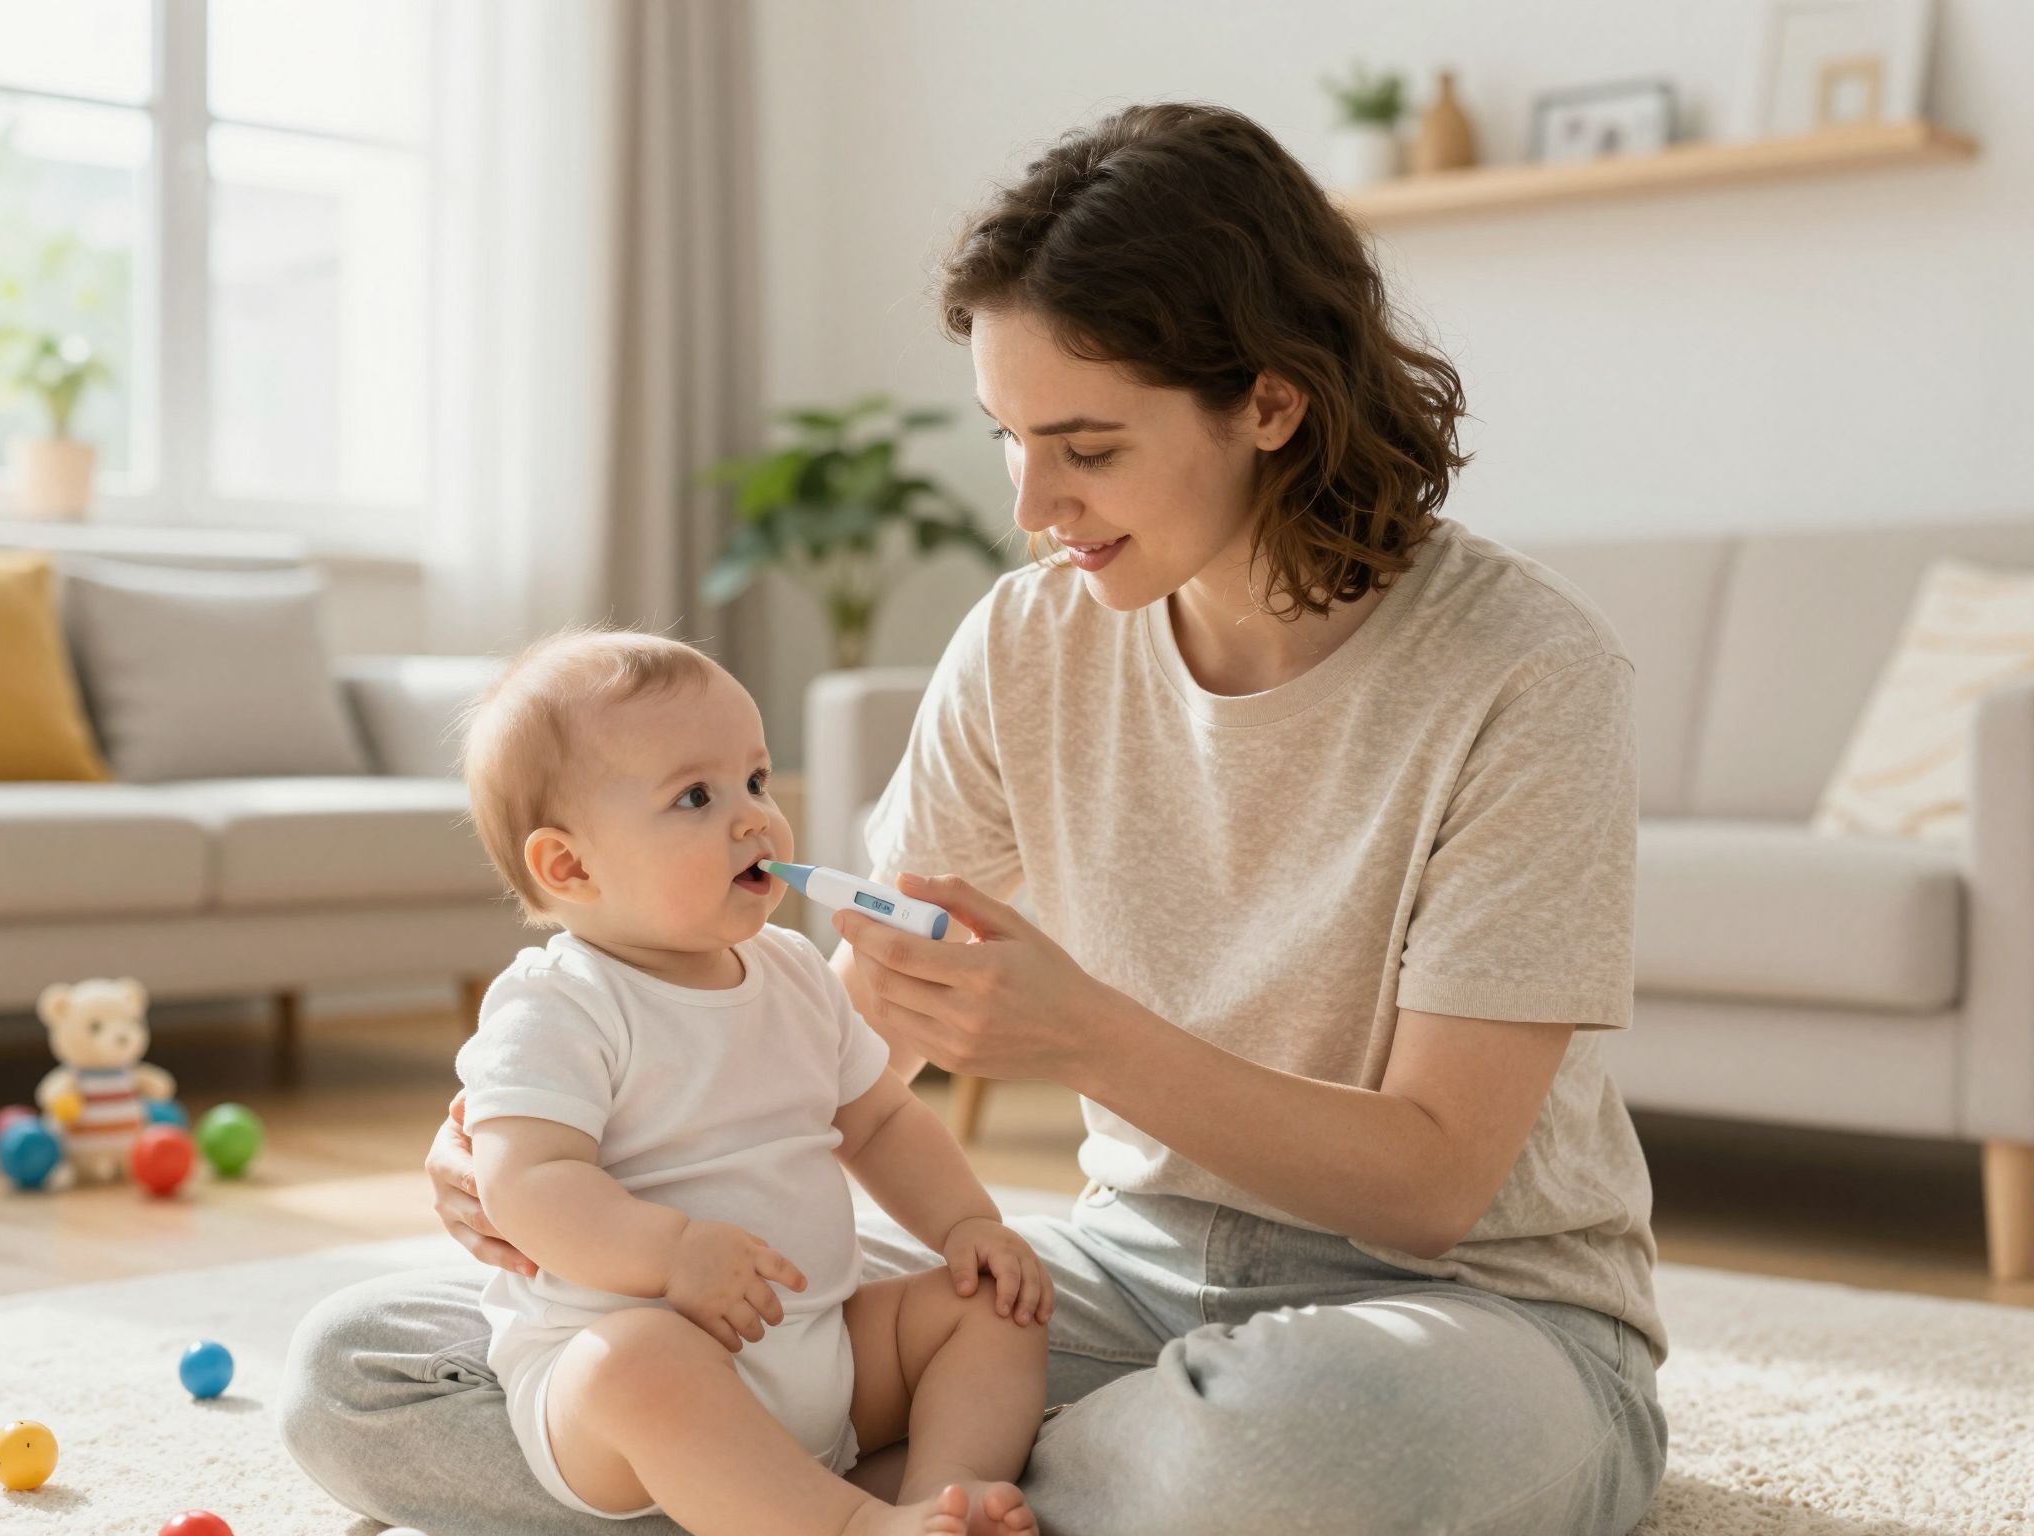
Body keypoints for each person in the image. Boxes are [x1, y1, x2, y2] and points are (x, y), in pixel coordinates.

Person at [279, 101, 1670, 1536]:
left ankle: (816, 1499)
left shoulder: (1524, 674)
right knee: (363, 1369)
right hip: (1119, 1275)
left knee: (1271, 1461)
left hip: (1465, 1315)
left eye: (1086, 446)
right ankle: (915, 1501)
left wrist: (1082, 1036)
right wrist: (546, 1153)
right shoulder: (1028, 642)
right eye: (1008, 439)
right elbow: (843, 1039)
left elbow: (1434, 1182)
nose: (1033, 505)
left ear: (1268, 401)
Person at [437, 629, 1049, 1536]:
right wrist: (671, 1252)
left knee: (993, 1306)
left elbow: (879, 1122)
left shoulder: (796, 971)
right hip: (632, 1383)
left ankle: (941, 1497)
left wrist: (968, 1225)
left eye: (756, 781)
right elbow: (526, 1186)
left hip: (820, 1346)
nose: (755, 818)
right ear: (570, 866)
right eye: (696, 796)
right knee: (635, 1363)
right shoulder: (558, 1003)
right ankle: (848, 1526)